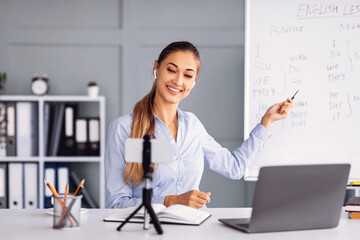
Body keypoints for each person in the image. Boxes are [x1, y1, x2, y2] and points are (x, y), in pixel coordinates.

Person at [105, 41, 293, 209]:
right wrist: (170, 201)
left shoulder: (192, 125)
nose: (178, 81)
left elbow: (235, 168)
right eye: (171, 70)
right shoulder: (123, 128)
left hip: (193, 230)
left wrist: (266, 122)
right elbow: (117, 203)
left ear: (193, 82)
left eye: (188, 75)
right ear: (157, 68)